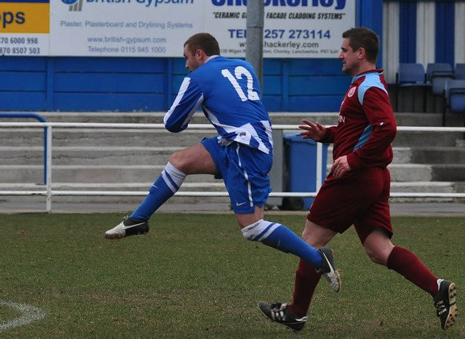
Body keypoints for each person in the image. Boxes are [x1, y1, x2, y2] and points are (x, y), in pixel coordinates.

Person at [104, 33, 341, 292]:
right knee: (179, 161)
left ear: (199, 54)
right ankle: (138, 219)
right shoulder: (244, 66)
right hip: (239, 141)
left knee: (251, 227)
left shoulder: (197, 77)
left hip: (245, 148)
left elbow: (172, 124)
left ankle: (319, 258)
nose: (185, 65)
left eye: (186, 57)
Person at [258, 27, 457, 332]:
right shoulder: (364, 84)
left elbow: (387, 128)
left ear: (359, 53)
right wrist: (327, 135)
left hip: (355, 179)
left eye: (344, 49)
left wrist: (353, 160)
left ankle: (297, 312)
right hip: (372, 177)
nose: (340, 54)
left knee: (309, 242)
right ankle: (437, 286)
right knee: (380, 250)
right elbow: (360, 130)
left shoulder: (369, 86)